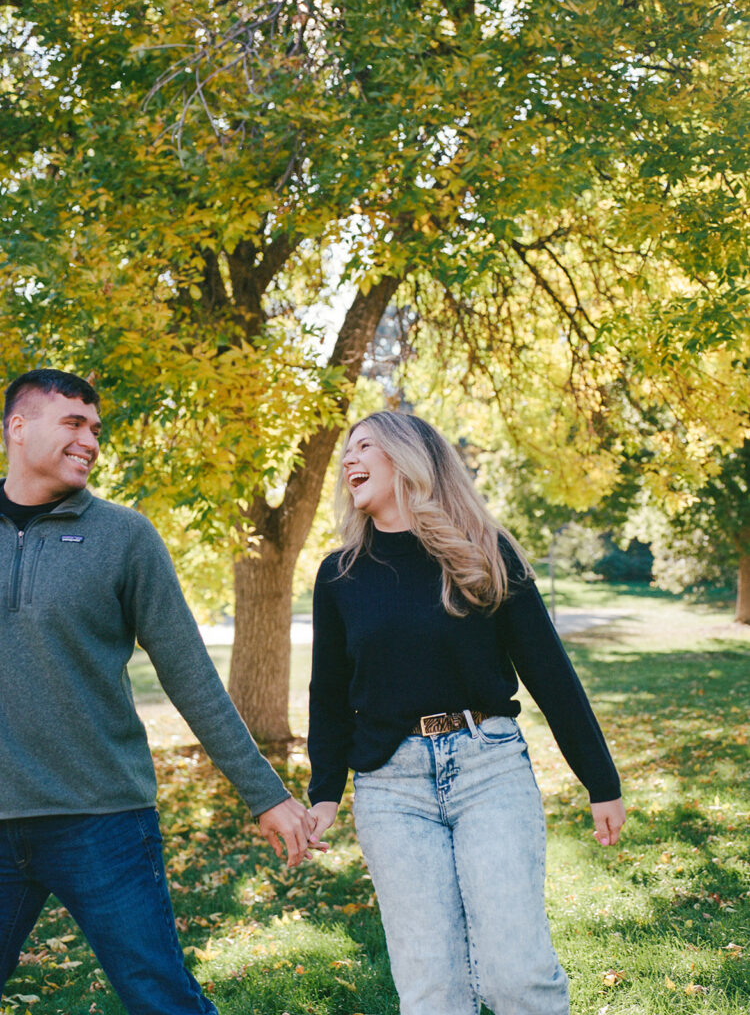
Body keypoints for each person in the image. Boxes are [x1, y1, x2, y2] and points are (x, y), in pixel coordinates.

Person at [0, 368, 316, 1015]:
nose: (91, 440)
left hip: (103, 819)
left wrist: (266, 794)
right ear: (17, 427)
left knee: (162, 1000)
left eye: (96, 428)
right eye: (74, 423)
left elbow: (190, 674)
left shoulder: (124, 538)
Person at [306, 411, 626, 1015]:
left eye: (365, 445)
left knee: (516, 977)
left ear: (409, 458)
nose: (349, 458)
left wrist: (601, 782)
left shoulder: (484, 551)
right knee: (432, 993)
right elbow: (328, 694)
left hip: (490, 771)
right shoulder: (340, 574)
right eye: (346, 450)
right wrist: (325, 791)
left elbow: (552, 676)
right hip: (391, 787)